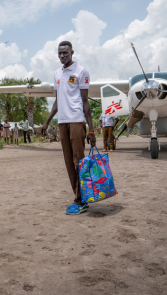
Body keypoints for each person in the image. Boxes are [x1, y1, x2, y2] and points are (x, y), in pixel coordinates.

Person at [41, 41, 96, 215]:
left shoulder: (81, 71)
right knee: (68, 163)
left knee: (78, 161)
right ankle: (79, 198)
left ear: (72, 52)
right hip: (62, 122)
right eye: (60, 53)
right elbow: (58, 101)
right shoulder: (57, 73)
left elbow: (85, 102)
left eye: (65, 52)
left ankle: (81, 201)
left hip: (77, 121)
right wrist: (48, 121)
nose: (62, 56)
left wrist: (91, 129)